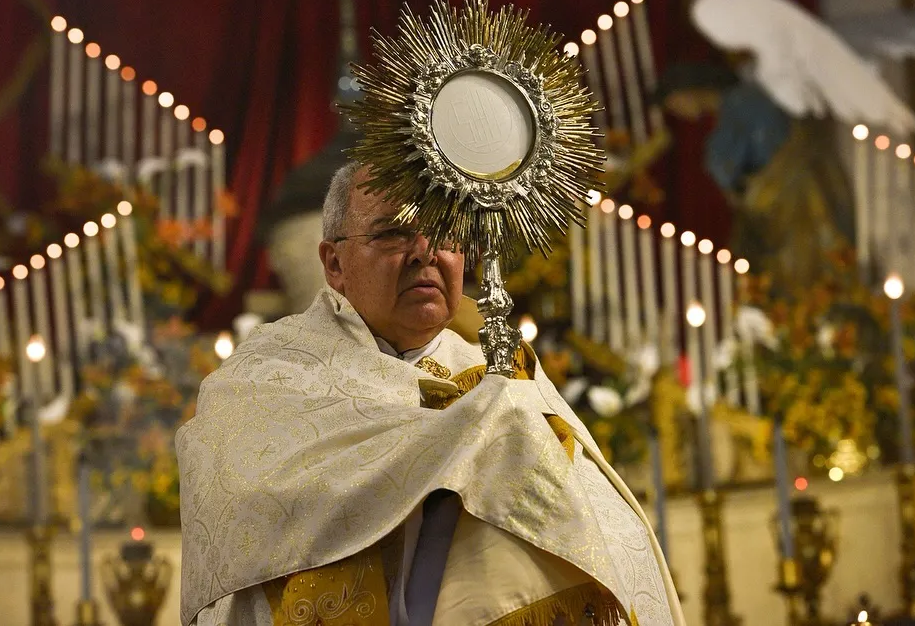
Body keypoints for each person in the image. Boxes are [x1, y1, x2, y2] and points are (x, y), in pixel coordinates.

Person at [177, 161, 684, 626]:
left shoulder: (500, 381)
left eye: (443, 234)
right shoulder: (267, 377)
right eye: (394, 233)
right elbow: (244, 519)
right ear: (334, 263)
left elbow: (594, 534)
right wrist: (451, 441)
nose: (425, 251)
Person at [655, 61, 855, 289]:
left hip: (785, 196)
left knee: (799, 268)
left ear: (687, 90)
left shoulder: (740, 105)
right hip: (788, 194)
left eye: (674, 104)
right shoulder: (740, 103)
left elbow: (725, 166)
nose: (679, 112)